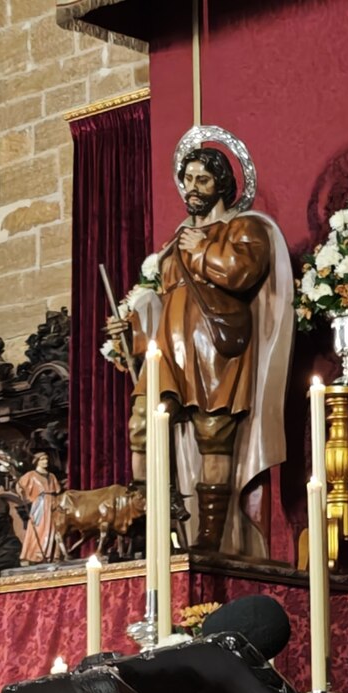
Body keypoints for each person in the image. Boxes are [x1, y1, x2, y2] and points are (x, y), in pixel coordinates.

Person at [106, 141, 293, 555]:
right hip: (168, 349)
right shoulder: (176, 241)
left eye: (203, 179)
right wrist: (131, 327)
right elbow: (163, 297)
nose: (192, 187)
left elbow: (243, 272)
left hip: (214, 349)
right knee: (142, 425)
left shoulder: (245, 228)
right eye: (188, 179)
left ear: (221, 184)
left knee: (213, 434)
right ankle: (146, 520)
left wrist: (203, 249)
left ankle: (210, 536)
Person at [15, 452, 63, 565]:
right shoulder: (31, 475)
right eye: (42, 459)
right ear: (37, 462)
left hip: (52, 502)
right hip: (40, 504)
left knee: (52, 528)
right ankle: (34, 554)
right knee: (39, 527)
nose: (45, 461)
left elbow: (57, 490)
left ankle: (50, 554)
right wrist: (21, 492)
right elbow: (19, 486)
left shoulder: (51, 476)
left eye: (46, 459)